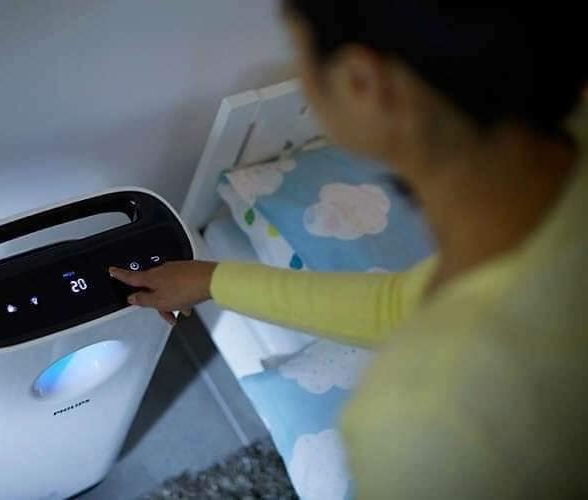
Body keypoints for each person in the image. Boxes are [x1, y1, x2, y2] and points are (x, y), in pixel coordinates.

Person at [110, 3, 587, 498]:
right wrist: (212, 280)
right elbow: (405, 305)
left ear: (362, 81)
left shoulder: (426, 422)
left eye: (296, 52)